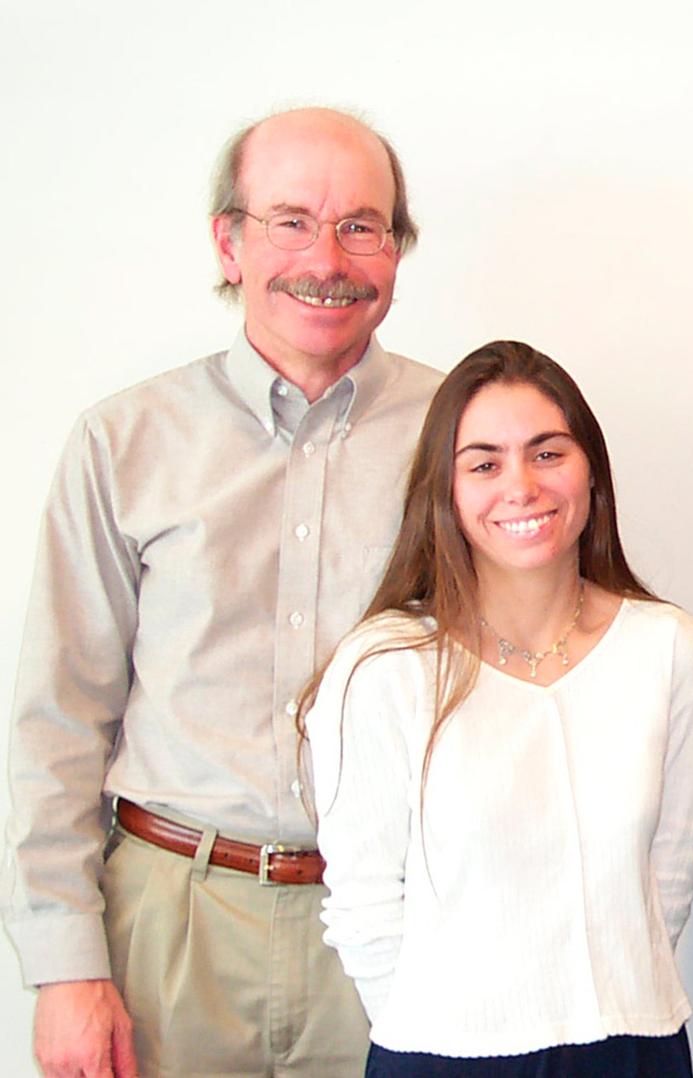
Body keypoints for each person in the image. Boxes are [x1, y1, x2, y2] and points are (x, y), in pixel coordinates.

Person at [2, 107, 444, 1076]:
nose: (325, 256)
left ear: (397, 250)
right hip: (173, 920)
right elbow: (59, 719)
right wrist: (66, 967)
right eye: (289, 220)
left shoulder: (462, 440)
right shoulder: (122, 441)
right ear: (228, 240)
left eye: (361, 225)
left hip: (397, 917)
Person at [301, 340, 693, 1077]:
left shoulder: (669, 650)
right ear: (447, 490)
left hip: (633, 1046)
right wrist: (440, 1027)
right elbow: (365, 903)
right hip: (445, 1053)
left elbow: (669, 877)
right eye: (485, 463)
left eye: (548, 453)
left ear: (591, 470)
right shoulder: (385, 666)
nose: (521, 486)